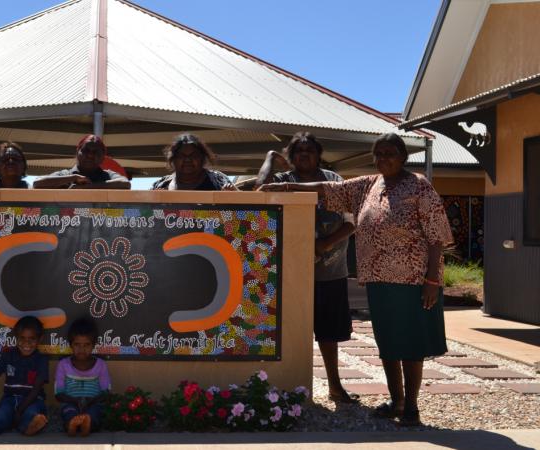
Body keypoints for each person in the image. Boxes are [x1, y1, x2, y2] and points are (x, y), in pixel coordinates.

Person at [259, 132, 453, 426]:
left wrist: (432, 281)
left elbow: (437, 236)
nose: (384, 158)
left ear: (402, 156)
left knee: (411, 345)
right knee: (388, 343)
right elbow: (328, 189)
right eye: (379, 154)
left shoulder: (419, 186)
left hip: (412, 281)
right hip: (377, 280)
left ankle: (411, 406)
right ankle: (396, 400)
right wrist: (287, 185)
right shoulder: (369, 185)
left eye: (390, 153)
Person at [256, 132, 358, 404]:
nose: (304, 155)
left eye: (309, 150)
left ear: (318, 154)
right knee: (287, 334)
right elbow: (260, 190)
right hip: (288, 275)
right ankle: (287, 388)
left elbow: (352, 220)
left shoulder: (333, 181)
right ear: (290, 156)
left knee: (328, 334)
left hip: (329, 272)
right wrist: (269, 158)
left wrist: (326, 243)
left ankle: (335, 386)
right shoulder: (282, 181)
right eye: (298, 151)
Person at [55, 318, 111, 437]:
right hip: (71, 403)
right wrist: (75, 401)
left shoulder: (101, 365)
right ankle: (72, 425)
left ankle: (87, 424)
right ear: (71, 344)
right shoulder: (63, 365)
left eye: (86, 345)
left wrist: (90, 401)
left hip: (93, 403)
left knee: (95, 414)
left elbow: (106, 393)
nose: (81, 349)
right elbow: (58, 394)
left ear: (93, 345)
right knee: (69, 413)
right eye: (77, 345)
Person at [32, 135, 130, 189]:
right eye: (86, 150)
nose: (90, 155)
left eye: (96, 152)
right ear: (77, 152)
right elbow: (37, 183)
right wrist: (72, 178)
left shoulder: (107, 175)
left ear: (102, 158)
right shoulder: (65, 175)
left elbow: (125, 183)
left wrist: (88, 187)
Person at [151, 134, 236, 190]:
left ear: (202, 158)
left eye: (193, 155)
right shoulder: (161, 185)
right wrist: (154, 200)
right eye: (182, 156)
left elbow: (245, 206)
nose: (187, 160)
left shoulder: (218, 181)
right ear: (173, 159)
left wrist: (234, 194)